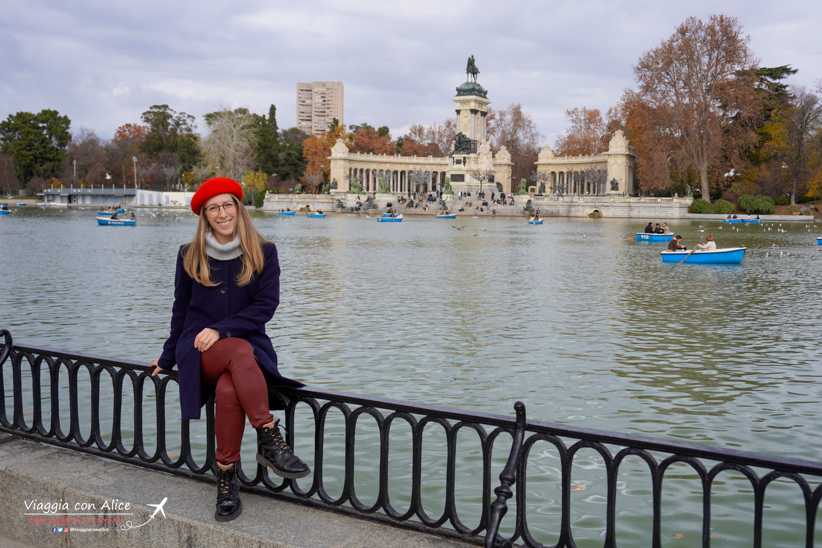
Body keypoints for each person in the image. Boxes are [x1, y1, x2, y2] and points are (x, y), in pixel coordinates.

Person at [150, 177, 308, 523]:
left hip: (247, 349)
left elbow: (266, 306)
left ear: (238, 208)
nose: (222, 213)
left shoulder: (264, 251)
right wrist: (167, 357)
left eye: (227, 205)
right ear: (205, 216)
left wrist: (222, 328)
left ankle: (225, 477)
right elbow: (180, 308)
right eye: (213, 208)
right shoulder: (189, 254)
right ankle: (269, 437)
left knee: (228, 388)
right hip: (200, 349)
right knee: (236, 352)